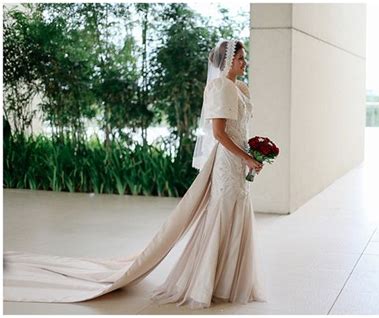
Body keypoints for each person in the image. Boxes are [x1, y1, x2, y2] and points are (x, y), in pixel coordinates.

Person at [3, 39, 268, 310]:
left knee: (239, 212)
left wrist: (253, 154)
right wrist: (247, 157)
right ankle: (209, 283)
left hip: (240, 162)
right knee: (223, 215)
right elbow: (218, 134)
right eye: (239, 59)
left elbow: (239, 129)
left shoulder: (240, 88)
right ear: (226, 63)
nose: (243, 63)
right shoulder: (221, 87)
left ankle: (230, 283)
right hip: (228, 162)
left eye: (243, 58)